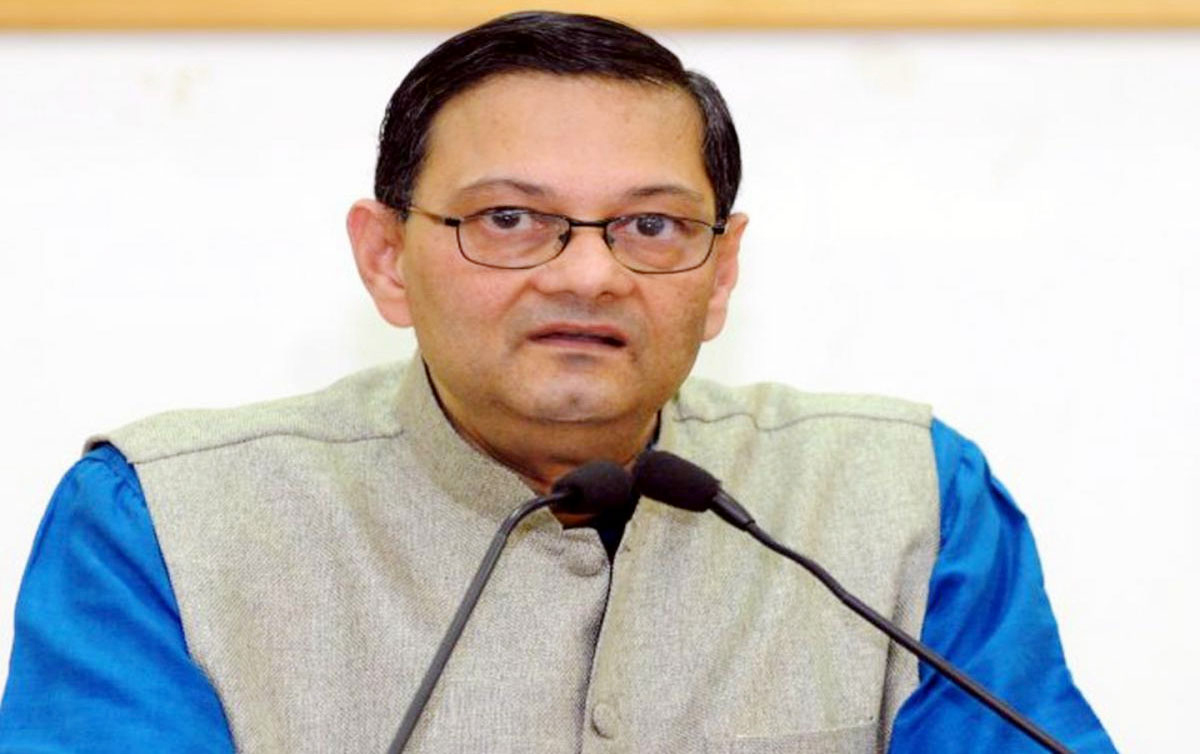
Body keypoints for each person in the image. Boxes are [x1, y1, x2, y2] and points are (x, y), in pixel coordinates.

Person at [0, 11, 1116, 753]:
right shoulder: (166, 520)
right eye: (509, 219)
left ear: (721, 271)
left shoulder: (905, 500)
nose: (588, 274)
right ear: (386, 259)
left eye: (651, 225)